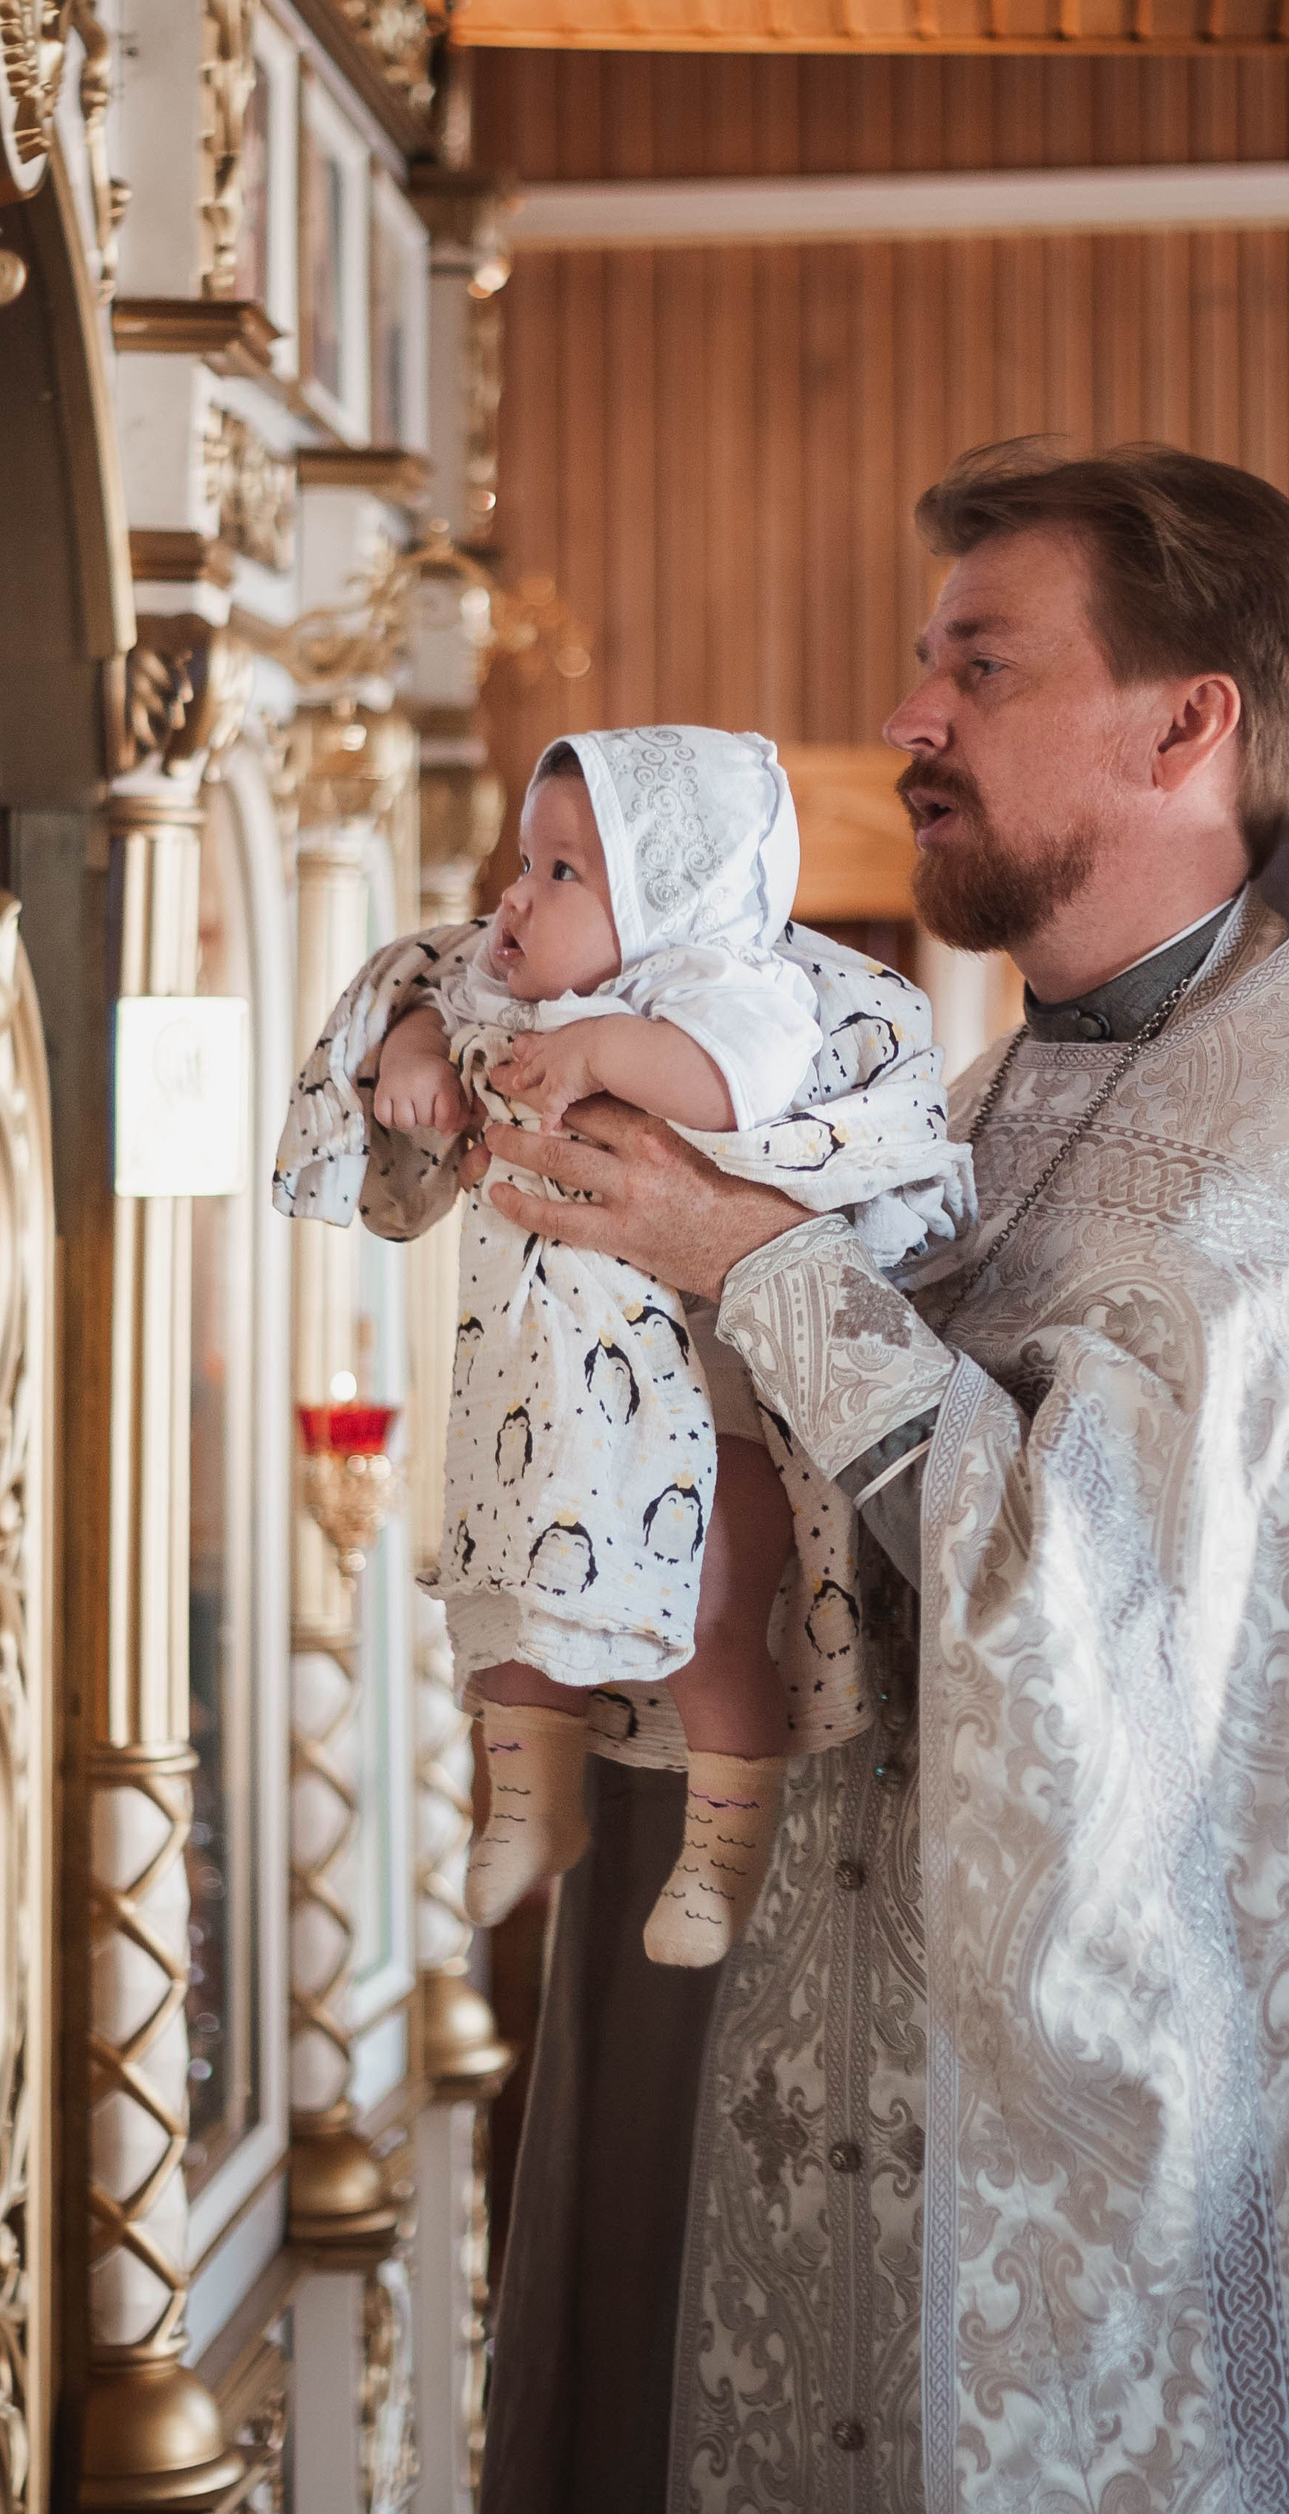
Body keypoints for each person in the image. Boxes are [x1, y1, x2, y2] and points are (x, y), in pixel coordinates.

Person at [461, 444, 1289, 2514]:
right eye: (923, 666)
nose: (908, 721)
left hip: (1126, 2217)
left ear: (1188, 720)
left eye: (976, 668)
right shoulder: (989, 1096)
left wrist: (748, 1260)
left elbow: (1092, 1612)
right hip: (835, 2089)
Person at [275, 724, 972, 1966]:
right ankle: (529, 1810)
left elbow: (738, 1082)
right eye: (521, 861)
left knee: (713, 1618)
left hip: (703, 1408)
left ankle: (721, 1846)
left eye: (561, 874)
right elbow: (415, 1000)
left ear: (670, 898)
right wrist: (418, 1056)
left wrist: (596, 1050)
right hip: (533, 1397)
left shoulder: (720, 988)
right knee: (506, 1607)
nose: (512, 895)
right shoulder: (502, 984)